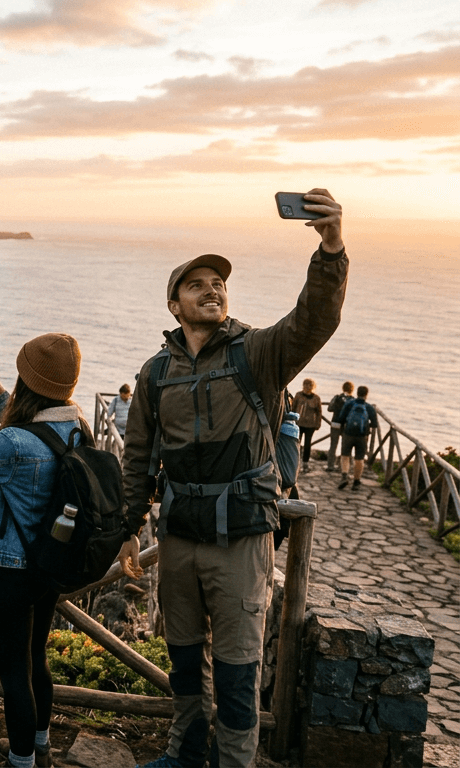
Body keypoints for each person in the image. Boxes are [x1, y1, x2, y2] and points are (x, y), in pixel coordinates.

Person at [121, 189, 347, 768]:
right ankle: (186, 751)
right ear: (174, 305)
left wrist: (331, 248)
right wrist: (130, 527)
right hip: (177, 539)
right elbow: (139, 459)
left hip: (242, 538)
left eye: (218, 283)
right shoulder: (154, 374)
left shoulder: (258, 353)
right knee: (183, 660)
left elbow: (314, 320)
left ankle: (235, 762)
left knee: (239, 670)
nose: (213, 289)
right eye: (197, 284)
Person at [0, 332, 94, 768]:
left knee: (13, 673)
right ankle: (40, 746)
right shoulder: (77, 427)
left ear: (31, 380)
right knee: (37, 658)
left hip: (10, 570)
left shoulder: (14, 445)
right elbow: (36, 430)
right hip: (49, 563)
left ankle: (20, 762)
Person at [336, 385, 378, 491]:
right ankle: (356, 481)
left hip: (348, 434)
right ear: (366, 395)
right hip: (362, 436)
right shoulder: (369, 407)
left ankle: (345, 476)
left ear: (357, 393)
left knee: (345, 456)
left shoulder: (349, 403)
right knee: (359, 459)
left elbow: (341, 418)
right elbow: (374, 424)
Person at [292, 378, 323, 471]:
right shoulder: (298, 395)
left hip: (310, 425)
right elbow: (293, 408)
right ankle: (295, 461)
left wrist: (318, 424)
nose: (307, 387)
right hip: (298, 423)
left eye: (309, 385)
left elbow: (319, 412)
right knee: (296, 443)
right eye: (305, 385)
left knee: (307, 444)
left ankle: (305, 463)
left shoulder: (316, 398)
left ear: (313, 387)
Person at [325, 381, 354, 471]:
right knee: (345, 446)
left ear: (343, 388)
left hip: (335, 423)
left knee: (333, 445)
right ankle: (342, 467)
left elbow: (329, 408)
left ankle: (330, 466)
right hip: (346, 425)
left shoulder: (337, 397)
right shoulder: (353, 400)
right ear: (352, 390)